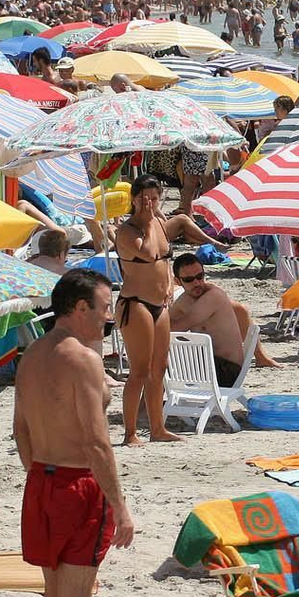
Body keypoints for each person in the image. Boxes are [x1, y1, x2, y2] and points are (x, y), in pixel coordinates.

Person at [15, 269, 135, 597]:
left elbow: (21, 430)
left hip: (41, 480)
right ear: (80, 308)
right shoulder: (81, 360)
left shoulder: (32, 354)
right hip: (78, 483)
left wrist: (42, 476)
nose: (109, 317)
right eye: (104, 308)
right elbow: (97, 442)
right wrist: (120, 506)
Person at [114, 175, 181, 444]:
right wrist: (149, 220)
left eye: (155, 198)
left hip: (159, 303)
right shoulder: (127, 231)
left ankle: (157, 428)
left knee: (159, 369)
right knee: (139, 371)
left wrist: (170, 284)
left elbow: (164, 260)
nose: (150, 203)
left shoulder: (160, 224)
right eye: (145, 198)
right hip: (135, 303)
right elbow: (149, 254)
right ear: (134, 199)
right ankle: (130, 433)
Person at [168, 252, 247, 387]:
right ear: (178, 281)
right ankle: (148, 400)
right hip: (207, 363)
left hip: (226, 369)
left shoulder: (213, 296)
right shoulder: (184, 300)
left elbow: (177, 326)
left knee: (160, 364)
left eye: (200, 276)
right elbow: (168, 322)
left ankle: (147, 401)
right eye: (189, 279)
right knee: (159, 360)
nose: (197, 283)